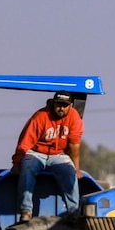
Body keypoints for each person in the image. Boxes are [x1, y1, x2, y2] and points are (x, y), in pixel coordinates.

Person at [12, 91, 84, 221]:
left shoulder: (74, 117)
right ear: (52, 103)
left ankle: (74, 211)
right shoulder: (40, 116)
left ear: (71, 106)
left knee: (69, 171)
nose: (61, 108)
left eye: (65, 105)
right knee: (27, 167)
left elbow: (74, 145)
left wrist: (76, 168)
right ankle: (26, 211)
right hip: (36, 153)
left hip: (59, 154)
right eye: (58, 104)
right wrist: (17, 163)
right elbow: (25, 142)